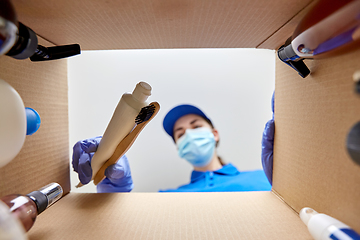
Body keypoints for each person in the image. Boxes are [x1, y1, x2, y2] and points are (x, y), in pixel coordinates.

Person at [72, 100, 275, 192]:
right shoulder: (168, 199)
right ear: (179, 147)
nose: (189, 134)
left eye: (196, 126)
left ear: (214, 134)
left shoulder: (265, 177)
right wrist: (114, 193)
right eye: (181, 133)